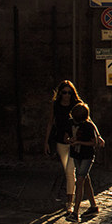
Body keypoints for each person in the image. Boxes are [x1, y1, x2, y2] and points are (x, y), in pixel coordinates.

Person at [44, 80, 81, 213]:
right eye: (64, 92)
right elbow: (50, 123)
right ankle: (70, 199)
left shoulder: (76, 105)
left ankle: (69, 202)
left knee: (70, 172)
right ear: (60, 93)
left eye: (69, 93)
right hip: (60, 141)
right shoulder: (56, 105)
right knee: (68, 170)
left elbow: (85, 120)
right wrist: (46, 142)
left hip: (73, 141)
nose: (67, 95)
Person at [68, 101, 101, 223]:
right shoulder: (71, 123)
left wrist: (79, 142)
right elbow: (66, 135)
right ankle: (93, 207)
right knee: (85, 179)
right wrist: (70, 140)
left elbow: (94, 143)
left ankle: (75, 213)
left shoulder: (88, 126)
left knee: (80, 181)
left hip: (87, 156)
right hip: (76, 155)